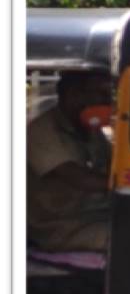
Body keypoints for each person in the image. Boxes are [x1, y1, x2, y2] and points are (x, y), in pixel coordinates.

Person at [26, 72, 115, 253]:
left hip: (96, 214)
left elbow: (114, 164)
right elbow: (80, 179)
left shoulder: (90, 130)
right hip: (60, 227)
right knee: (129, 238)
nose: (109, 102)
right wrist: (126, 183)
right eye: (102, 94)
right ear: (75, 95)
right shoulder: (41, 131)